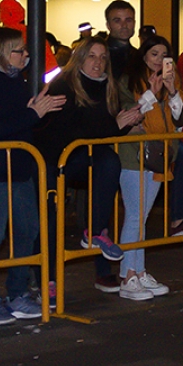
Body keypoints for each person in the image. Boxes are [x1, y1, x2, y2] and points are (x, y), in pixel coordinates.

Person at [0, 28, 65, 324]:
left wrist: (35, 113)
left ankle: (18, 292)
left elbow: (19, 122)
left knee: (27, 228)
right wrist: (33, 114)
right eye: (20, 51)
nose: (26, 56)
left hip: (18, 164)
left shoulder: (14, 79)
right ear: (0, 52)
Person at [34, 37, 143, 297]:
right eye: (92, 56)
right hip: (52, 158)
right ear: (80, 58)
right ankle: (46, 280)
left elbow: (102, 132)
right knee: (50, 220)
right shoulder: (63, 84)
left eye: (103, 57)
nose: (98, 62)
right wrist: (118, 125)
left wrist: (125, 123)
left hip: (81, 154)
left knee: (108, 161)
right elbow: (71, 129)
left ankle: (95, 231)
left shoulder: (107, 86)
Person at [114, 36, 183, 300]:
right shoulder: (129, 81)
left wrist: (172, 91)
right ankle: (128, 276)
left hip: (160, 154)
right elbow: (130, 114)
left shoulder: (172, 83)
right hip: (133, 154)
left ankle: (139, 271)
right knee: (134, 215)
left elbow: (181, 118)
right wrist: (152, 94)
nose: (159, 59)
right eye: (154, 54)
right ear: (143, 55)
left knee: (142, 216)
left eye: (164, 55)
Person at [104, 0, 137, 80]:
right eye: (117, 21)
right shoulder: (100, 55)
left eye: (128, 20)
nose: (124, 25)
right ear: (108, 25)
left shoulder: (139, 56)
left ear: (134, 23)